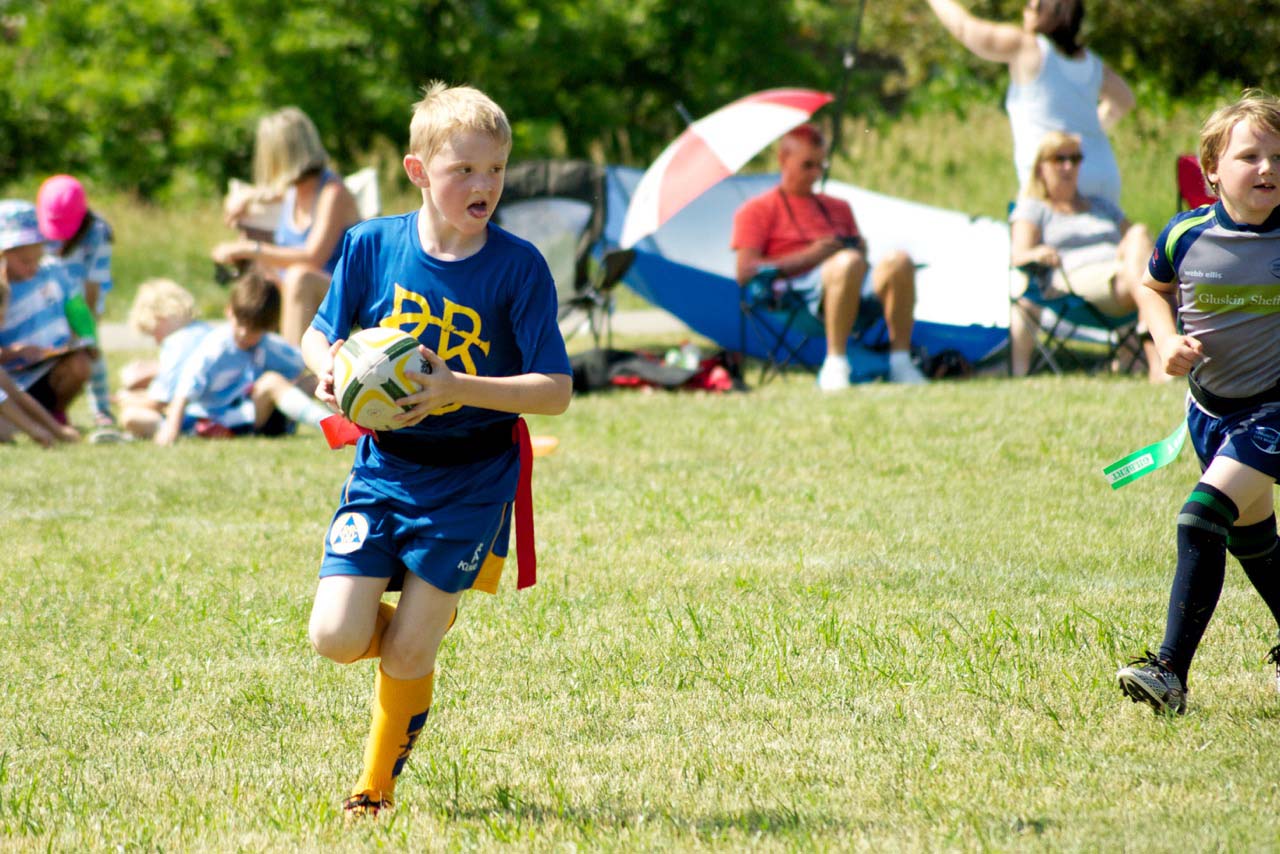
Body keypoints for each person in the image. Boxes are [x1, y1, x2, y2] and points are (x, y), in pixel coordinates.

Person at [301, 81, 572, 818]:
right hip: (385, 471)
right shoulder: (370, 246)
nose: (484, 185)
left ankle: (374, 790)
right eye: (465, 171)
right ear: (419, 171)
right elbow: (319, 333)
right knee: (334, 636)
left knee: (408, 652)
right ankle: (420, 627)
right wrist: (329, 367)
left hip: (472, 480)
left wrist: (457, 387)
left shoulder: (518, 267)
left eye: (496, 169)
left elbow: (554, 390)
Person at [1116, 91, 1280, 715]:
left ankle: (1169, 672)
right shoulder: (1186, 233)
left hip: (1273, 412)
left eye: (1279, 157)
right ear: (1212, 168)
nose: (1267, 169)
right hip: (1210, 412)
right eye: (1250, 156)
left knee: (1200, 517)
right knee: (1252, 539)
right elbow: (1151, 288)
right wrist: (1165, 341)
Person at [731, 124, 925, 390]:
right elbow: (745, 271)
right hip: (798, 297)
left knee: (899, 261)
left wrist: (858, 249)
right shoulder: (755, 210)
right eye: (807, 165)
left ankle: (900, 362)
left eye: (820, 166)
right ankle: (836, 363)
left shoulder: (839, 207)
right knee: (846, 263)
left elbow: (860, 261)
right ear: (783, 159)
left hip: (855, 288)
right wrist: (812, 255)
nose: (815, 174)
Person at [925, 0, 1135, 207]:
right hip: (1103, 177)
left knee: (1029, 228)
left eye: (1030, 6)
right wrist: (1091, 128)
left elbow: (965, 28)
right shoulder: (1092, 62)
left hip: (1056, 179)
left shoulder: (1028, 47)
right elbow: (1125, 100)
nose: (1024, 12)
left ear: (1046, 15)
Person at [1009, 130, 1163, 379]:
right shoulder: (1035, 208)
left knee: (1139, 233)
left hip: (1124, 273)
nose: (1068, 166)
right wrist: (1038, 253)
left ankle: (1150, 339)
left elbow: (1140, 243)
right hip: (1077, 279)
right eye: (1059, 159)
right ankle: (1155, 346)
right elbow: (1018, 256)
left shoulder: (1101, 205)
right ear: (1040, 167)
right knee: (1149, 272)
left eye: (1075, 158)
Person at [213, 107, 361, 345]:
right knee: (258, 279)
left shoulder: (333, 193)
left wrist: (250, 248)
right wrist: (243, 198)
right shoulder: (292, 192)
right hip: (291, 290)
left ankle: (294, 363)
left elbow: (312, 257)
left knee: (299, 276)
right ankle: (243, 354)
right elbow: (262, 194)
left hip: (339, 295)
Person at [153, 270, 331, 445]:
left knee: (318, 379)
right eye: (240, 324)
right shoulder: (216, 346)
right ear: (229, 311)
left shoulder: (268, 344)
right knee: (271, 382)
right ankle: (331, 426)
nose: (244, 333)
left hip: (258, 413)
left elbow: (301, 362)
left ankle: (344, 417)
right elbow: (186, 388)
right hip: (221, 419)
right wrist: (171, 428)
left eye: (254, 330)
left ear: (268, 328)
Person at [37, 174, 119, 432]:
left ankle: (102, 410)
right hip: (45, 299)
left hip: (83, 299)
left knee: (90, 350)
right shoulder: (32, 228)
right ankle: (44, 408)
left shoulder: (98, 232)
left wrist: (87, 328)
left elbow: (93, 284)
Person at [0, 199, 92, 428]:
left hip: (49, 369)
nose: (32, 266)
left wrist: (83, 337)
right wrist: (14, 352)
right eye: (24, 261)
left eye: (37, 259)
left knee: (80, 364)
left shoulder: (53, 271)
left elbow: (76, 309)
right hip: (8, 380)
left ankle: (55, 413)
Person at [116, 278, 213, 440]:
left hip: (196, 415)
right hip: (223, 409)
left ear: (159, 318)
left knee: (131, 416)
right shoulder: (206, 330)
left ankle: (180, 431)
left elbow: (160, 401)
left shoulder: (175, 343)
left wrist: (127, 400)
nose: (157, 341)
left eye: (153, 333)